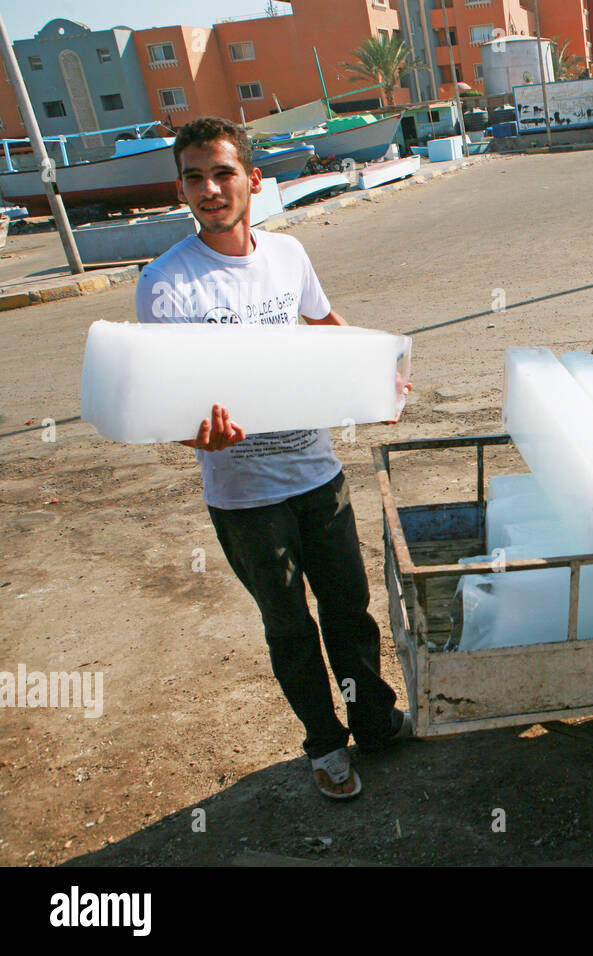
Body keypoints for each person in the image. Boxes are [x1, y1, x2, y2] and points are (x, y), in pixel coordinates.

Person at [135, 117, 411, 801]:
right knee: (290, 625)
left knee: (349, 609)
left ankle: (373, 720)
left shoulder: (288, 257)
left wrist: (379, 375)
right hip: (244, 493)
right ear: (181, 187)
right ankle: (325, 745)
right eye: (194, 177)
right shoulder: (166, 283)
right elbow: (161, 399)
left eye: (222, 173)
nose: (209, 189)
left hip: (318, 473)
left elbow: (324, 325)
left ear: (253, 180)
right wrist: (195, 437)